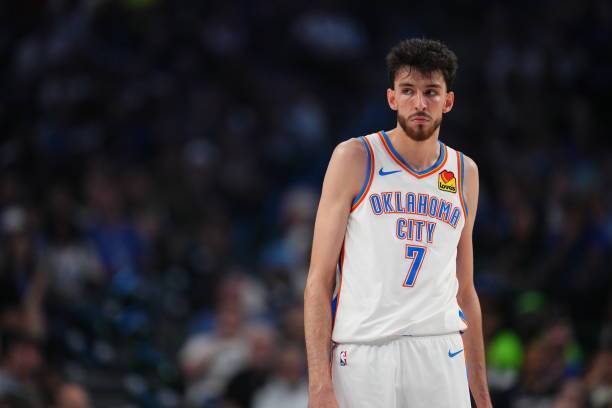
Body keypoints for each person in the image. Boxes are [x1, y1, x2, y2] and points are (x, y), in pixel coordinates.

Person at [304, 38, 492, 407]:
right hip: (364, 351)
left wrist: (482, 395)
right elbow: (318, 281)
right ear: (392, 98)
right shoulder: (355, 157)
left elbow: (465, 291)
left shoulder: (464, 171)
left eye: (431, 92)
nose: (419, 103)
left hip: (440, 350)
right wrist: (319, 385)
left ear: (448, 101)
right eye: (408, 90)